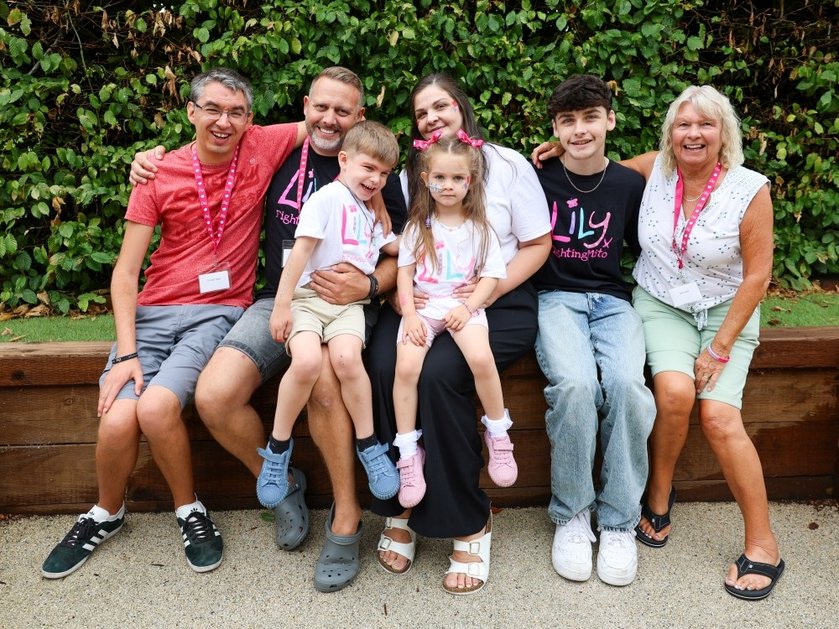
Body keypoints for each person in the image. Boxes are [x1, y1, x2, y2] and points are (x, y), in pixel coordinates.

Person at [128, 67, 407, 593]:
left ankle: (346, 518)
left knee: (325, 383)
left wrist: (368, 287)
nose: (329, 119)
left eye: (343, 111)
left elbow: (397, 256)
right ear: (305, 106)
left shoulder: (374, 169)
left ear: (359, 117)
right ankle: (279, 483)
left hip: (345, 309)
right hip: (279, 301)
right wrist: (149, 160)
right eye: (320, 107)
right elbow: (210, 132)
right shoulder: (268, 149)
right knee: (213, 395)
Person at [41, 67, 304, 578]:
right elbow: (124, 273)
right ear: (191, 112)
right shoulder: (158, 173)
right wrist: (128, 353)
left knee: (157, 408)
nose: (223, 121)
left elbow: (326, 120)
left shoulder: (260, 147)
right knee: (118, 419)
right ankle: (106, 512)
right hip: (153, 314)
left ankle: (190, 510)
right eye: (212, 109)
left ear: (250, 120)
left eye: (235, 112)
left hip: (216, 313)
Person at [369, 73, 551, 593]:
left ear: (462, 106)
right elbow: (403, 248)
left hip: (499, 296)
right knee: (384, 362)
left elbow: (538, 245)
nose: (431, 117)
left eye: (440, 105)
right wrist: (406, 298)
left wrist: (479, 297)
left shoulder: (509, 164)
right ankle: (400, 503)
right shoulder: (413, 176)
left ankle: (469, 518)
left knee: (442, 375)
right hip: (427, 299)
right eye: (421, 113)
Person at [623, 85, 782, 600]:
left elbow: (758, 277)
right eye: (683, 124)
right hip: (661, 303)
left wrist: (719, 348)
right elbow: (591, 165)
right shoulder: (653, 170)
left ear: (723, 133)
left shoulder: (749, 189)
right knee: (672, 393)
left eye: (705, 125)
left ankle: (763, 544)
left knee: (718, 415)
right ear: (670, 133)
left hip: (725, 313)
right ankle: (659, 495)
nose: (693, 134)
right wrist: (561, 148)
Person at [529, 75, 656, 586]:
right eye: (567, 121)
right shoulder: (536, 176)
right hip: (554, 299)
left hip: (612, 301)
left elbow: (676, 153)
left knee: (628, 386)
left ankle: (620, 520)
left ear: (610, 119)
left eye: (589, 118)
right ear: (555, 128)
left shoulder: (629, 182)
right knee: (576, 386)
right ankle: (573, 514)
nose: (579, 130)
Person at [259, 120, 400, 507]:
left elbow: (394, 248)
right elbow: (300, 253)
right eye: (368, 168)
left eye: (384, 174)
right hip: (307, 300)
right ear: (344, 160)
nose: (376, 179)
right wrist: (282, 306)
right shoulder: (324, 200)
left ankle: (369, 446)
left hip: (348, 308)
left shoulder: (373, 211)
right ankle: (277, 447)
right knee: (305, 362)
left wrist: (439, 238)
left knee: (346, 359)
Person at [393, 134, 516, 509]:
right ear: (426, 178)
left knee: (481, 360)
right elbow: (404, 274)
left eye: (457, 179)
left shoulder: (481, 228)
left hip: (464, 305)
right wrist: (410, 314)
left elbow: (492, 277)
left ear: (470, 182)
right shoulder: (418, 226)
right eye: (440, 178)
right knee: (406, 368)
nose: (448, 186)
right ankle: (409, 452)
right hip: (426, 308)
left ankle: (498, 435)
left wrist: (469, 307)